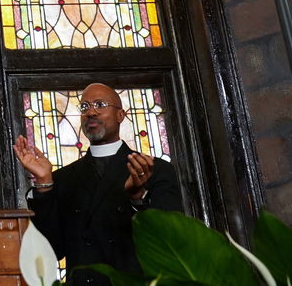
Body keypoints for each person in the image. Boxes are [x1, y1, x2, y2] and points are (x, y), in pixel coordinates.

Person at [12, 83, 180, 286]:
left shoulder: (154, 169)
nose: (91, 112)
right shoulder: (64, 178)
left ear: (121, 115)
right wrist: (44, 184)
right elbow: (53, 250)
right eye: (84, 107)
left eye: (100, 105)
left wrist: (138, 197)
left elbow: (170, 240)